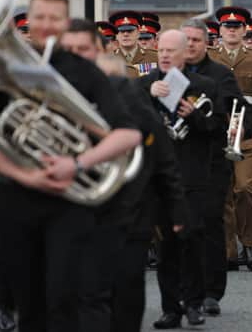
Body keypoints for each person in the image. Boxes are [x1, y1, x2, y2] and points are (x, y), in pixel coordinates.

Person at [0, 0, 141, 332]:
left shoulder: (85, 71)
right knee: (28, 305)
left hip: (68, 203)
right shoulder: (0, 67)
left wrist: (78, 163)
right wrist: (24, 176)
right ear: (28, 18)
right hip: (15, 199)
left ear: (65, 22)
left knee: (62, 299)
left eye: (54, 18)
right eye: (39, 16)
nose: (46, 24)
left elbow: (127, 134)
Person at [60, 19, 187, 332]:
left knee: (125, 294)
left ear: (101, 51)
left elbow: (161, 157)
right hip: (72, 210)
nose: (76, 57)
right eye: (69, 50)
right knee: (82, 297)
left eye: (84, 50)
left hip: (128, 211)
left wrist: (176, 207)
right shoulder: (50, 92)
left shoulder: (126, 92)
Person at [139, 30, 221, 329]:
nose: (163, 55)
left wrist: (195, 116)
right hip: (158, 177)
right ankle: (170, 308)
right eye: (160, 49)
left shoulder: (204, 86)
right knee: (166, 248)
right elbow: (128, 124)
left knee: (192, 241)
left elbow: (218, 128)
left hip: (192, 175)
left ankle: (194, 303)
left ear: (185, 53)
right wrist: (149, 99)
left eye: (171, 50)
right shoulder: (143, 85)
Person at [180, 18, 252, 314]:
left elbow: (241, 111)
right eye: (185, 40)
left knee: (211, 224)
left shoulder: (221, 75)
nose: (190, 45)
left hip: (212, 161)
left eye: (196, 40)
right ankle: (185, 294)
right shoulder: (170, 73)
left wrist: (239, 129)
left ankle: (212, 291)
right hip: (180, 161)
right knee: (183, 229)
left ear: (207, 42)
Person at [208, 6, 252, 271]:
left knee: (245, 188)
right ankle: (228, 250)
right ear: (221, 30)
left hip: (247, 131)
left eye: (237, 27)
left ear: (244, 30)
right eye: (227, 27)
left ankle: (249, 242)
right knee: (223, 193)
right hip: (218, 129)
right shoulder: (210, 56)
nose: (232, 31)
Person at [110, 10, 158, 76]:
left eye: (130, 31)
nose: (126, 34)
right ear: (116, 35)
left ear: (138, 32)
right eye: (121, 31)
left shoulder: (154, 57)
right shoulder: (109, 59)